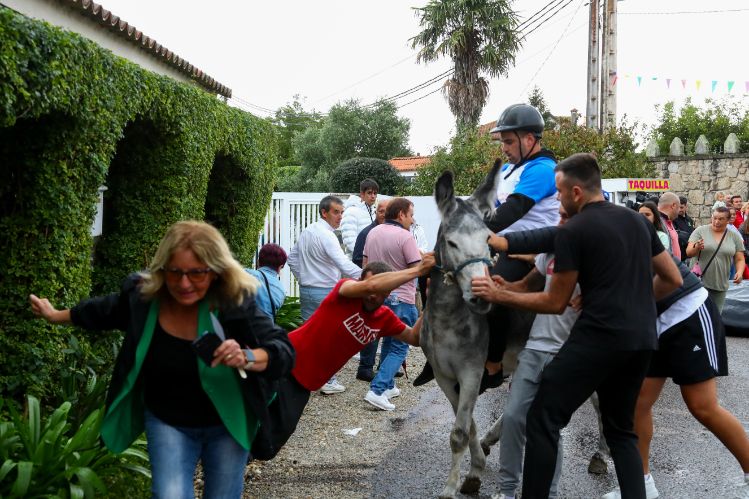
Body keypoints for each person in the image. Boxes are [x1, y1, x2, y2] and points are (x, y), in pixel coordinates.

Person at [29, 220, 294, 498]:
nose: (183, 283)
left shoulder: (233, 302)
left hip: (226, 422)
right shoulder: (144, 298)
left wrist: (246, 356)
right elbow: (104, 310)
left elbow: (282, 350)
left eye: (196, 274)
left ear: (215, 271)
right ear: (162, 269)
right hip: (167, 420)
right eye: (175, 272)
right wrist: (56, 315)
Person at [472, 153, 682, 499]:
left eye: (559, 191)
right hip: (642, 338)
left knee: (543, 418)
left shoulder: (575, 231)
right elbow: (671, 278)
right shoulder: (638, 222)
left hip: (598, 338)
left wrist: (499, 294)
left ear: (577, 192)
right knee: (621, 431)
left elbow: (554, 302)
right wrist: (628, 299)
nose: (557, 198)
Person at [414, 103, 559, 391]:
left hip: (526, 248)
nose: (503, 147)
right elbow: (478, 209)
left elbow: (510, 213)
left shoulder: (543, 169)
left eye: (508, 141)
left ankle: (493, 364)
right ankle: (435, 353)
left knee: (491, 289)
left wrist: (473, 234)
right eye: (503, 141)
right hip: (496, 244)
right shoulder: (507, 170)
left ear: (529, 139)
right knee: (431, 272)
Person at [601, 255, 749, 498]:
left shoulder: (623, 224)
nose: (561, 220)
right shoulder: (578, 232)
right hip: (652, 321)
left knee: (702, 406)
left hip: (686, 310)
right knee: (637, 404)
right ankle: (641, 482)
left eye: (565, 215)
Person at [492, 206, 579, 499]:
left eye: (567, 217)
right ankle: (507, 491)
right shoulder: (549, 255)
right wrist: (506, 287)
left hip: (567, 353)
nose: (561, 222)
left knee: (548, 427)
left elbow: (553, 301)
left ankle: (550, 493)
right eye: (561, 216)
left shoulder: (591, 254)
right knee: (514, 417)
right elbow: (526, 286)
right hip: (535, 347)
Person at [288, 195, 362, 394]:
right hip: (325, 292)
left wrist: (303, 278)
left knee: (309, 336)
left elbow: (292, 258)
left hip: (307, 290)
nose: (340, 217)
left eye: (341, 212)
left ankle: (305, 375)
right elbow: (343, 264)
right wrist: (367, 277)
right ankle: (328, 380)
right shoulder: (327, 235)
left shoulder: (308, 231)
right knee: (329, 337)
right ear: (324, 212)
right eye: (336, 212)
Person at [362, 197, 422, 410]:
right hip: (402, 299)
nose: (412, 220)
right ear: (401, 215)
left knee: (388, 341)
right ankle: (377, 390)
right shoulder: (405, 237)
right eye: (411, 215)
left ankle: (387, 385)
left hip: (379, 297)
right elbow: (418, 268)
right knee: (399, 346)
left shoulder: (373, 232)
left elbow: (366, 265)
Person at [353, 200, 388, 381]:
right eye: (380, 211)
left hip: (389, 289)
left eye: (386, 211)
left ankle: (386, 365)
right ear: (376, 212)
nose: (383, 214)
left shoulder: (396, 232)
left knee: (388, 329)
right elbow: (357, 258)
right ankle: (365, 367)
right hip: (372, 288)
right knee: (372, 329)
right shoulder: (366, 232)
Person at [686, 206, 745, 312]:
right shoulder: (700, 231)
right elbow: (689, 253)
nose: (716, 221)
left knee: (716, 316)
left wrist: (740, 272)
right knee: (697, 315)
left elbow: (740, 259)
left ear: (728, 220)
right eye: (714, 218)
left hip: (720, 284)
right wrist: (697, 247)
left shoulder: (734, 236)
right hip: (699, 282)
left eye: (721, 219)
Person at [246, 243, 287, 323]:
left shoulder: (244, 274)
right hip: (264, 331)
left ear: (258, 261)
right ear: (280, 267)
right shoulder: (280, 290)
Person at [340, 178, 379, 255]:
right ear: (362, 194)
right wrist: (365, 255)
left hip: (371, 259)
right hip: (356, 260)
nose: (373, 196)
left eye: (375, 193)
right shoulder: (351, 212)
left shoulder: (373, 212)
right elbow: (349, 241)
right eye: (369, 193)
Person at [657, 192, 682, 260]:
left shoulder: (667, 221)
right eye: (679, 207)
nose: (679, 210)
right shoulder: (657, 222)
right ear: (673, 205)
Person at [673, 196, 695, 262]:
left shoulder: (690, 220)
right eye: (678, 207)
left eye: (681, 207)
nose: (679, 209)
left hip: (690, 254)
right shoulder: (673, 219)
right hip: (680, 255)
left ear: (686, 206)